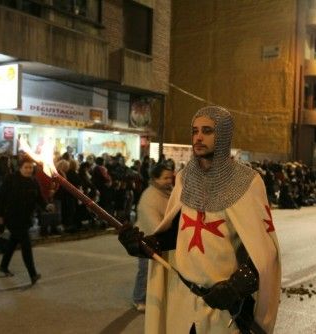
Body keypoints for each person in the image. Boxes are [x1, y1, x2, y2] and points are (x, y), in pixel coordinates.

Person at [118, 106, 281, 333]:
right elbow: (175, 234)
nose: (198, 137)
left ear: (223, 135)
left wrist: (236, 287)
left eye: (207, 131)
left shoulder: (248, 182)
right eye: (195, 131)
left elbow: (264, 252)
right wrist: (144, 245)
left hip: (222, 307)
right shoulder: (185, 178)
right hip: (182, 298)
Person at [0, 156, 52, 285]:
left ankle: (3, 266)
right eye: (26, 167)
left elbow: (39, 198)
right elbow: (1, 197)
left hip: (26, 217)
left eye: (31, 167)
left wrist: (46, 206)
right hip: (12, 217)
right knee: (26, 244)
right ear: (20, 168)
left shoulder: (33, 181)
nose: (28, 170)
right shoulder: (11, 179)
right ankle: (32, 274)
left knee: (13, 242)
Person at [132, 163, 174, 312]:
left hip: (160, 239)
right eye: (165, 178)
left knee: (157, 272)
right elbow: (153, 224)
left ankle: (155, 297)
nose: (169, 181)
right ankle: (138, 299)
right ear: (155, 179)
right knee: (145, 270)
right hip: (147, 238)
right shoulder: (150, 196)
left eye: (171, 177)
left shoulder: (169, 192)